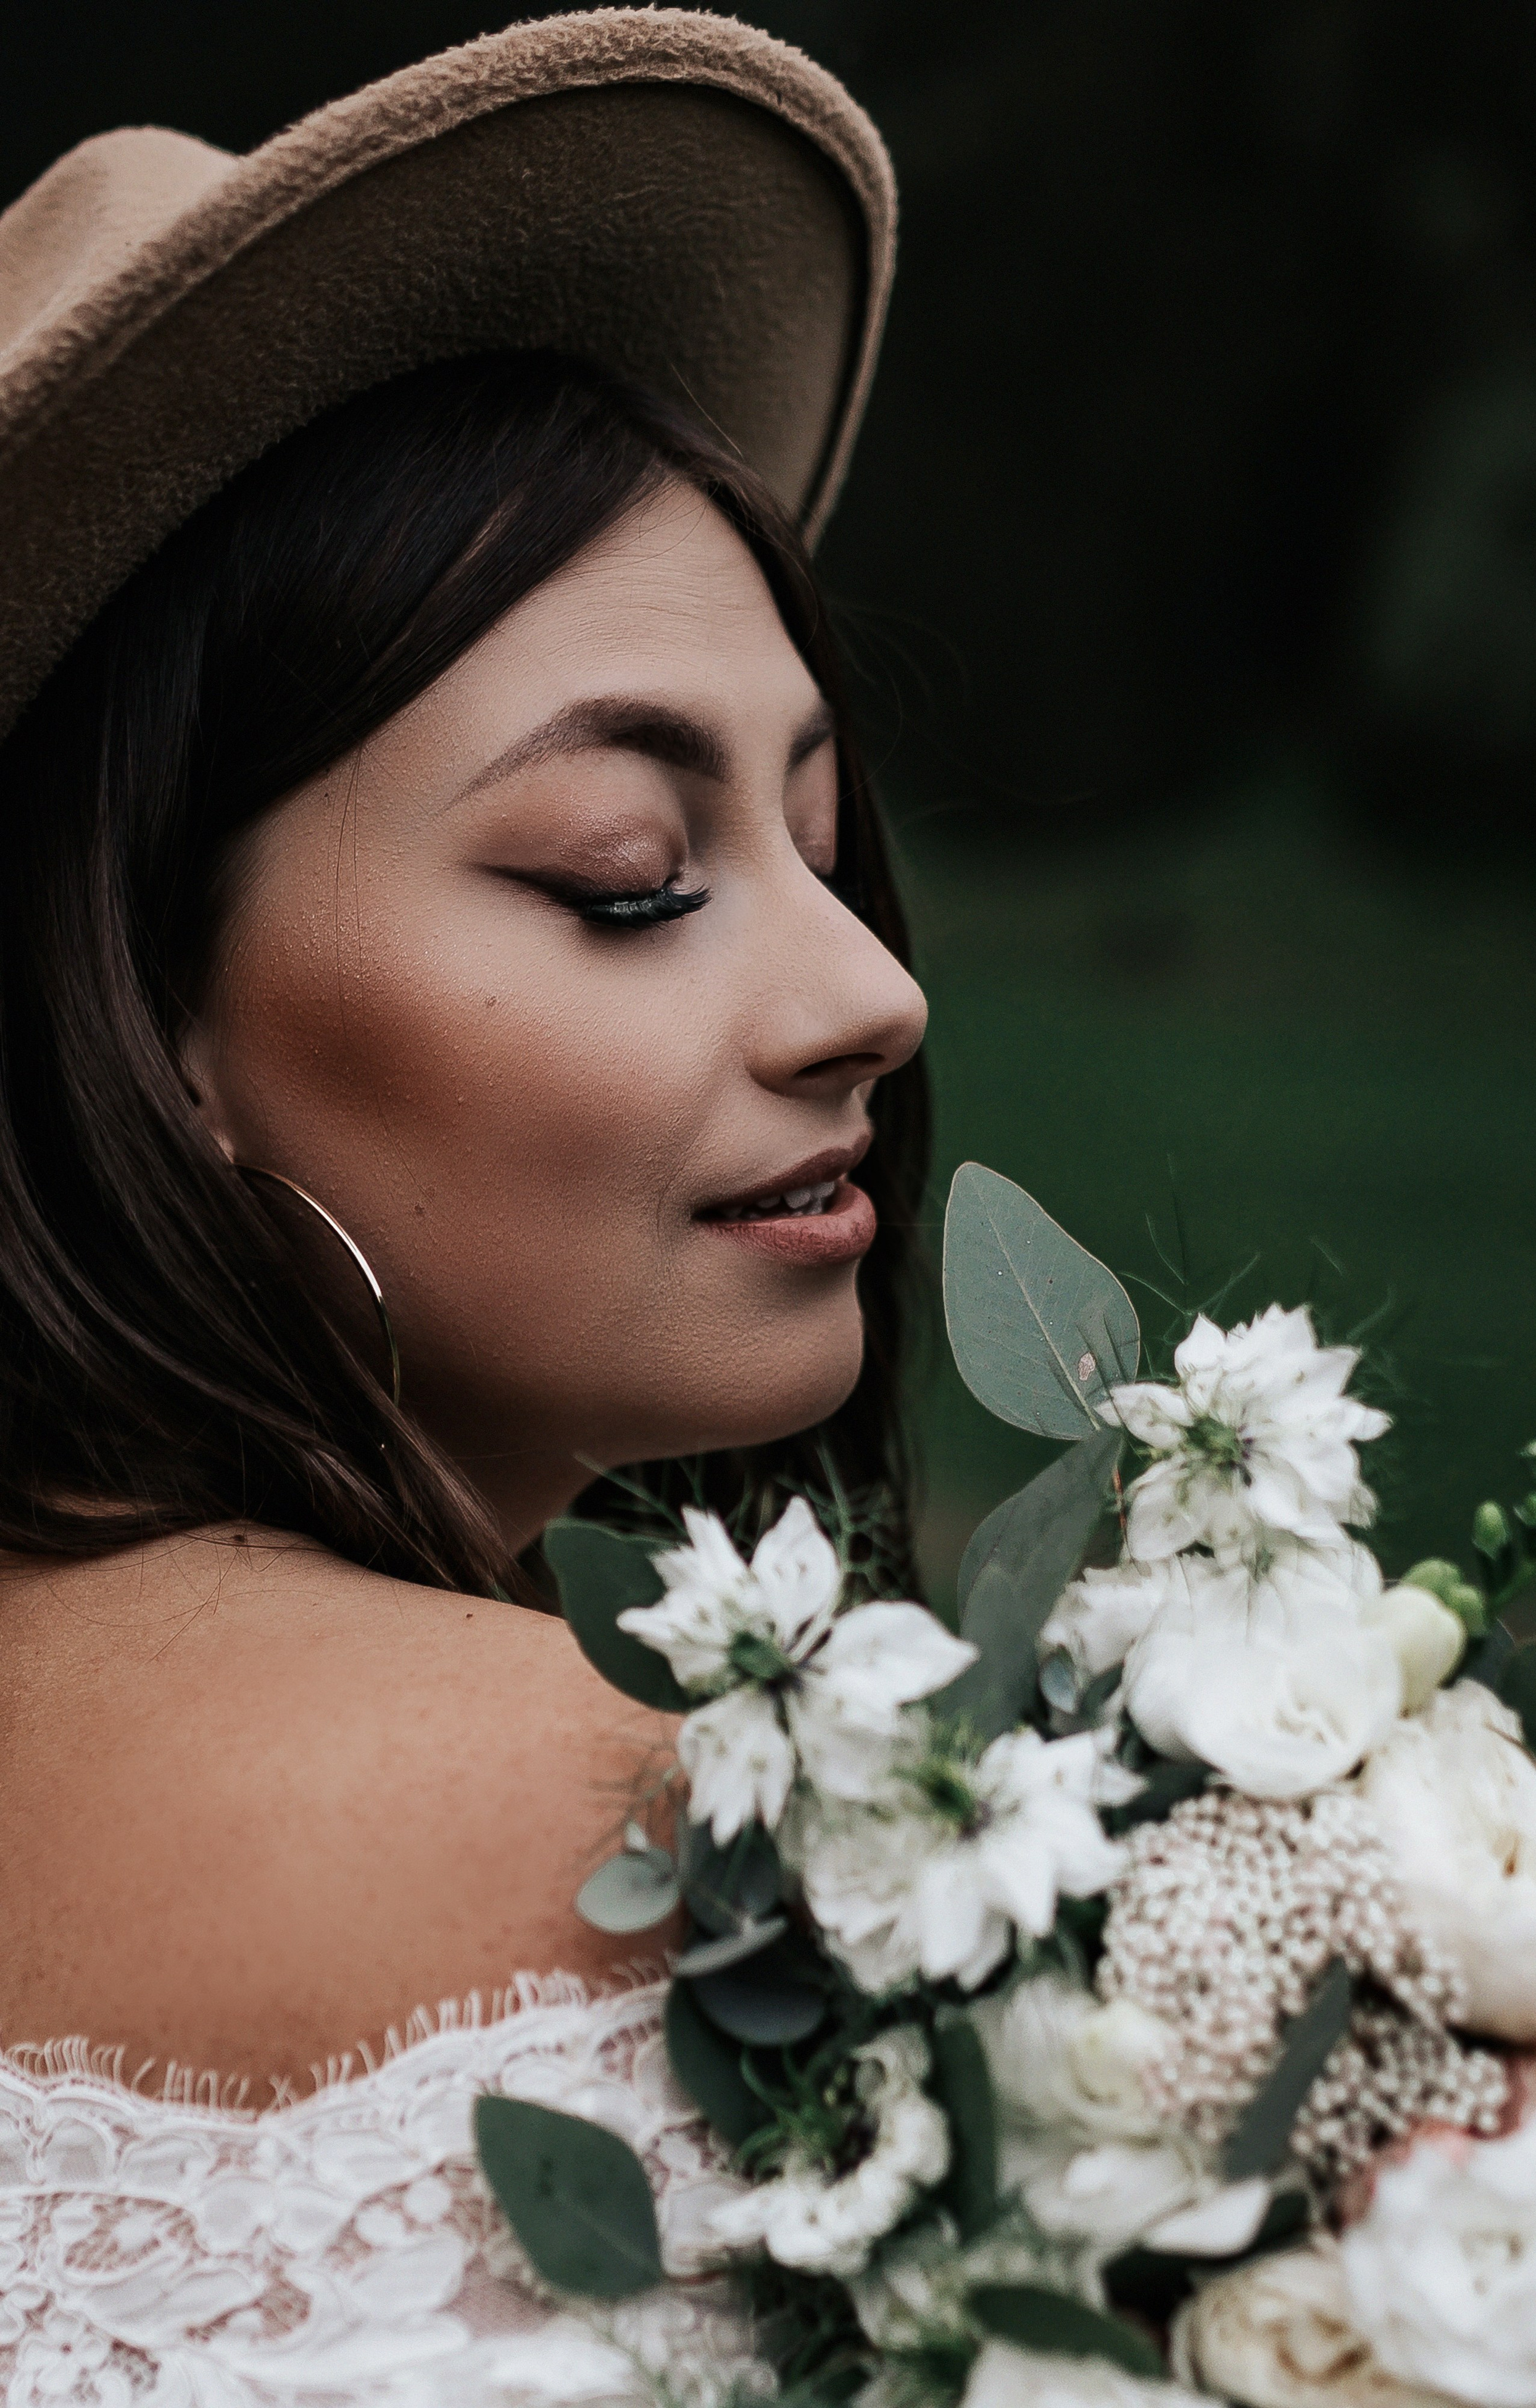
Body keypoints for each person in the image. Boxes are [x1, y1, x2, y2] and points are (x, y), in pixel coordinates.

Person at [0, 13, 927, 2398]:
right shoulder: (728, 1824)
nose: (868, 994)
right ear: (139, 1007)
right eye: (631, 876)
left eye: (815, 847)